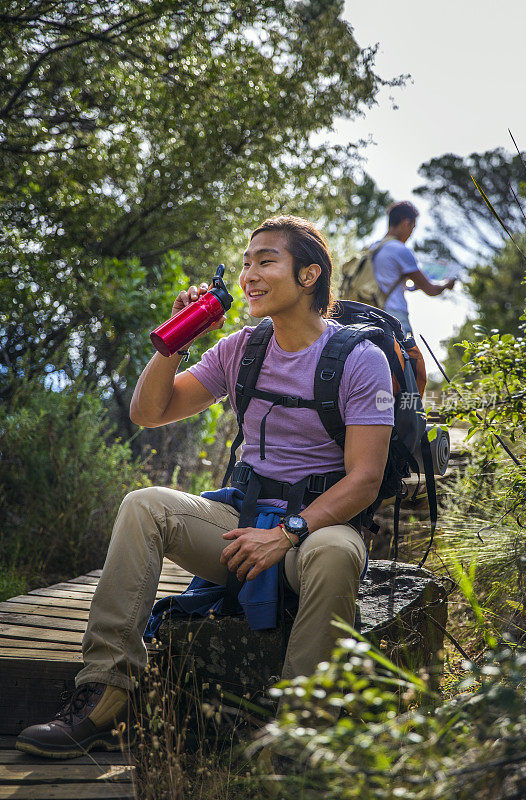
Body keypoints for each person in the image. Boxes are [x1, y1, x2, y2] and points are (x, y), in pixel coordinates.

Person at [16, 216, 394, 758]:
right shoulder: (243, 348)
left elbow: (365, 479)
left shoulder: (361, 360)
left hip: (316, 529)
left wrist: (286, 534)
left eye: (266, 261)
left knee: (335, 553)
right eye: (245, 263)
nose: (249, 276)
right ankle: (105, 695)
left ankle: (299, 733)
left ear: (309, 274)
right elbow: (150, 412)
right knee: (145, 505)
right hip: (240, 523)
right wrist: (177, 338)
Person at [372, 201, 456, 336]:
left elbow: (386, 281)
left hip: (368, 314)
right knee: (409, 356)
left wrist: (411, 286)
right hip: (393, 316)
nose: (411, 233)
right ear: (406, 223)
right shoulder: (400, 250)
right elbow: (431, 290)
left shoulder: (373, 249)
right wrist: (447, 283)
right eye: (413, 227)